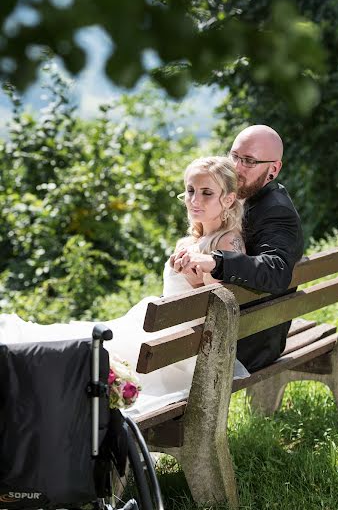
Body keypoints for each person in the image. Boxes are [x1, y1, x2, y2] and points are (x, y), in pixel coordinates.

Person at [0, 156, 249, 417]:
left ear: (229, 199)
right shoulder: (188, 242)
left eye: (206, 193)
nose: (194, 200)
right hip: (166, 337)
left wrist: (205, 270)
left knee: (81, 346)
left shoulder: (227, 241)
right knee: (70, 338)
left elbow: (226, 302)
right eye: (190, 191)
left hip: (178, 350)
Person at [171, 125, 304, 373]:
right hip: (237, 326)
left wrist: (217, 262)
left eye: (249, 161)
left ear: (273, 169)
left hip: (250, 342)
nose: (236, 167)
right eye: (234, 156)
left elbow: (276, 270)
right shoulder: (245, 197)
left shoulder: (275, 210)